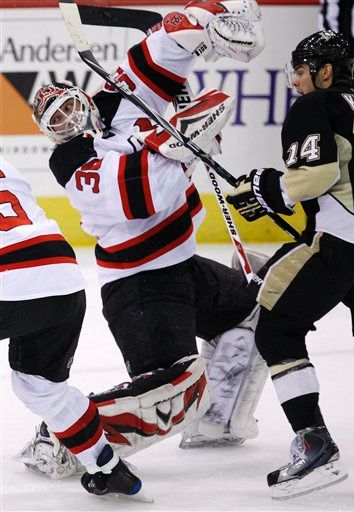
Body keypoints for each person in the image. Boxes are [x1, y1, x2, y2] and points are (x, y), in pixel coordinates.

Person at [23, 0, 269, 480]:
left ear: (84, 97)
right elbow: (146, 194)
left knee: (261, 307)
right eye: (56, 121)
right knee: (175, 393)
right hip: (141, 290)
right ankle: (58, 437)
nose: (70, 120)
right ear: (50, 135)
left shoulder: (119, 101)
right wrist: (186, 142)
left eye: (71, 106)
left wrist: (206, 22)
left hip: (185, 268)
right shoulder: (72, 165)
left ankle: (217, 422)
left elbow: (157, 50)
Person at [226, 29, 354, 500]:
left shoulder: (315, 105)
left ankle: (314, 443)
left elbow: (316, 175)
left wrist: (267, 187)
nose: (296, 82)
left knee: (276, 327)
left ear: (323, 71)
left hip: (347, 241)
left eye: (301, 71)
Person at [0, 157, 149, 499]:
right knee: (39, 387)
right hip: (62, 275)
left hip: (8, 278)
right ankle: (106, 465)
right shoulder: (7, 163)